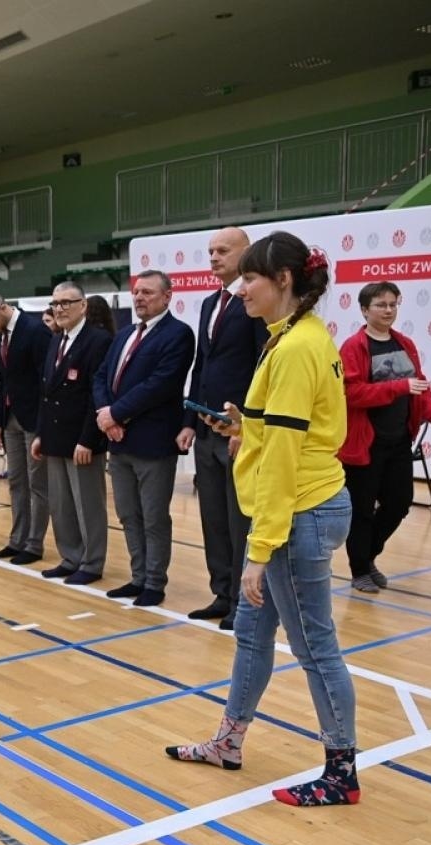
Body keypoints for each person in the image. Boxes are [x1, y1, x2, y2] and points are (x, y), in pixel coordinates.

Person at [167, 232, 358, 808]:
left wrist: (259, 548)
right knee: (252, 636)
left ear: (284, 282)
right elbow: (281, 435)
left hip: (298, 511)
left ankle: (341, 772)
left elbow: (285, 457)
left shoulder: (297, 347)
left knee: (314, 646)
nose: (241, 286)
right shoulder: (292, 338)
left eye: (251, 277)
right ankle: (229, 742)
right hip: (289, 508)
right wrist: (245, 426)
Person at [179, 227, 269, 629]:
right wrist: (188, 422)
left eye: (223, 250)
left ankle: (241, 602)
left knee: (238, 520)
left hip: (236, 431)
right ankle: (220, 592)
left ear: (245, 253)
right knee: (213, 516)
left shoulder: (252, 303)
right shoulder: (209, 304)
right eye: (210, 251)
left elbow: (260, 368)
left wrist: (246, 427)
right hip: (205, 427)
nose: (214, 257)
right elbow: (202, 364)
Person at [338, 282, 431, 593]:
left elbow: (419, 387)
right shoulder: (353, 347)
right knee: (361, 510)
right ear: (364, 310)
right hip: (365, 444)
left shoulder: (405, 344)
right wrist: (397, 388)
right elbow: (350, 393)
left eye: (393, 304)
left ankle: (368, 555)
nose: (388, 310)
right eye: (381, 305)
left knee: (399, 503)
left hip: (399, 440)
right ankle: (359, 568)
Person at [93, 271, 195, 607]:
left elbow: (160, 384)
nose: (139, 298)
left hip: (152, 442)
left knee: (153, 516)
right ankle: (137, 577)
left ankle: (154, 582)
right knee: (127, 514)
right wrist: (107, 416)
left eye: (148, 292)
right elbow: (101, 378)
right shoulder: (123, 335)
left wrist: (116, 414)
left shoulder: (178, 334)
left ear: (167, 296)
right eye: (136, 292)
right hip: (118, 440)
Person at [32, 282, 112, 585]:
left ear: (84, 306)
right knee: (62, 504)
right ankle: (70, 556)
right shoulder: (56, 340)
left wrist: (88, 439)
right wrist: (40, 434)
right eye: (56, 303)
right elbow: (46, 392)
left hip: (81, 438)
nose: (60, 308)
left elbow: (97, 395)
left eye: (67, 302)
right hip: (54, 437)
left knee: (87, 503)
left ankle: (92, 562)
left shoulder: (98, 341)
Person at [0, 291, 53, 565]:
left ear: (2, 308)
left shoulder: (35, 331)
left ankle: (34, 543)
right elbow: (1, 381)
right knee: (16, 481)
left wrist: (42, 424)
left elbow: (45, 381)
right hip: (10, 416)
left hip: (33, 418)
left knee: (37, 483)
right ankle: (17, 539)